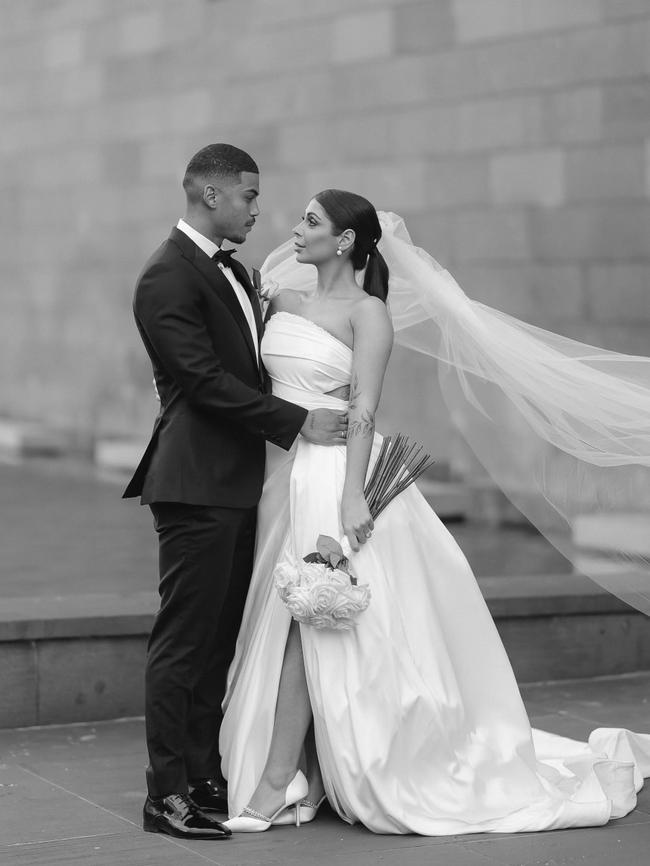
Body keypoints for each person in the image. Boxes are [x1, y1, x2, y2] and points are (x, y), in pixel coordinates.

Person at [220, 189, 650, 835]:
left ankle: (279, 782)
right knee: (287, 618)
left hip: (337, 477)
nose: (293, 229)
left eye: (311, 220)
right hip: (283, 479)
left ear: (343, 241)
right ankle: (300, 772)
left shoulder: (369, 314)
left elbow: (364, 408)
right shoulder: (278, 301)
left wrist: (353, 495)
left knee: (315, 614)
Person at [123, 145, 347, 841]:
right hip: (194, 484)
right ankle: (166, 798)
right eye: (249, 196)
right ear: (212, 195)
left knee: (218, 640)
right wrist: (298, 421)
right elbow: (202, 381)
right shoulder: (165, 277)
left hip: (239, 483)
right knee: (184, 642)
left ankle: (204, 775)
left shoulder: (236, 274)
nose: (258, 209)